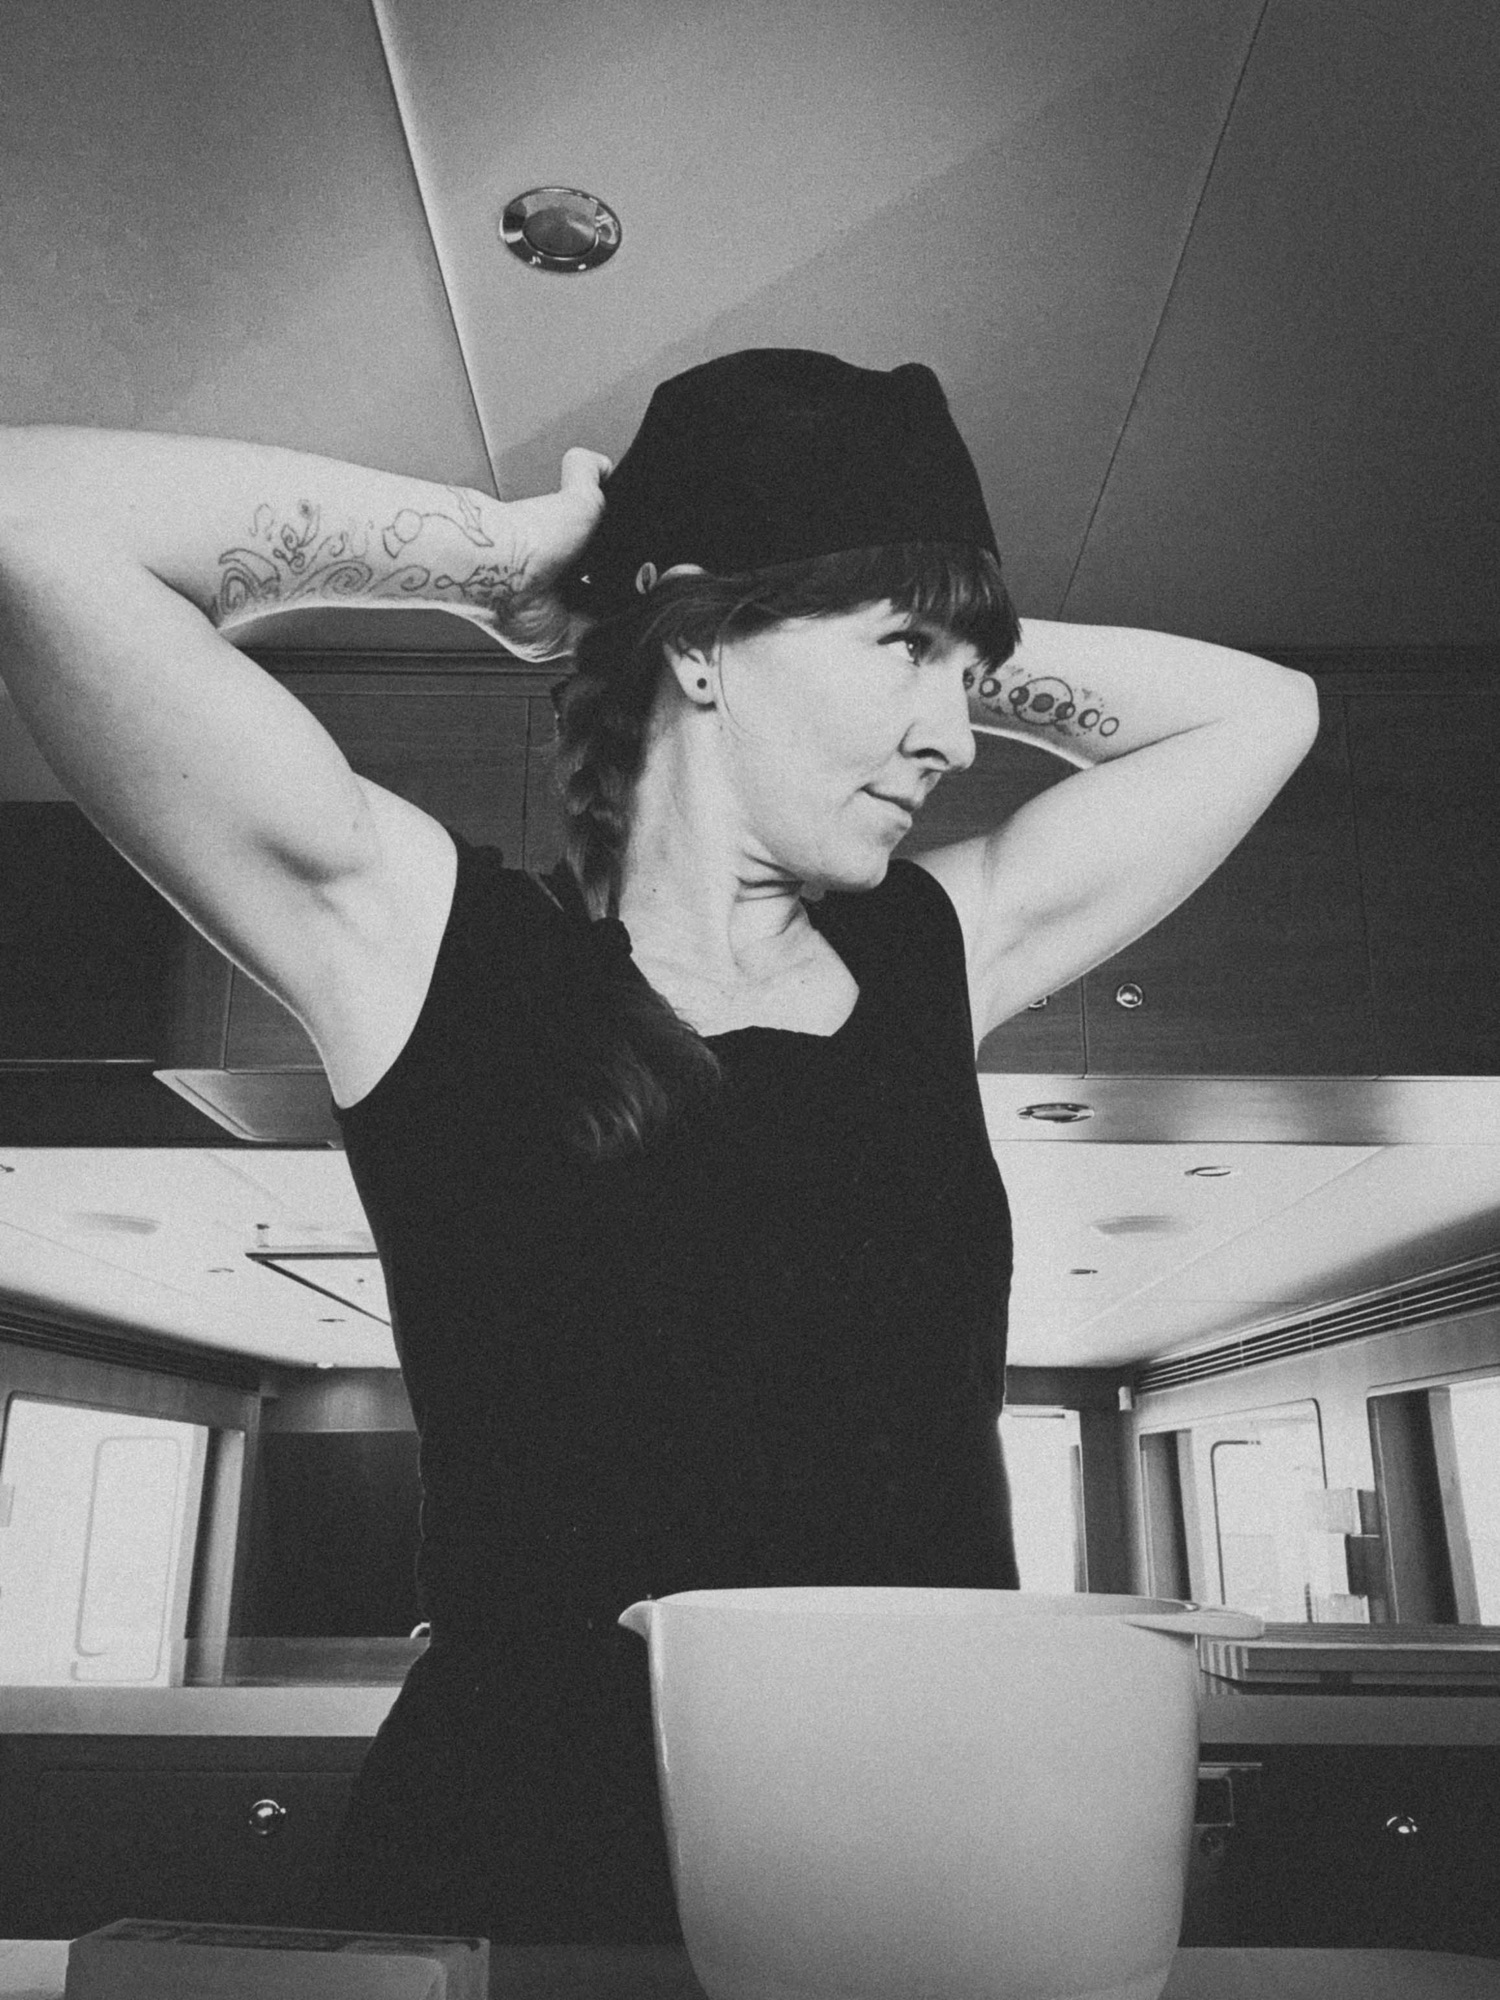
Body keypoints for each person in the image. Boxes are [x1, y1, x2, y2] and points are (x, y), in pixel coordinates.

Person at [0, 350, 1318, 1944]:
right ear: (699, 648)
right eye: (904, 649)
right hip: (523, 1872)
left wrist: (933, 633)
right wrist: (497, 559)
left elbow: (1268, 713)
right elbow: (30, 512)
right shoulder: (435, 957)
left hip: (912, 1867)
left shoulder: (933, 956)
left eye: (966, 675)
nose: (958, 736)